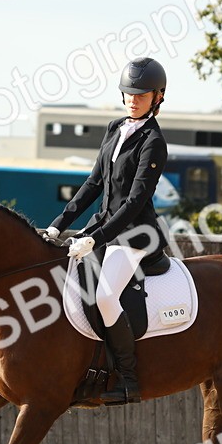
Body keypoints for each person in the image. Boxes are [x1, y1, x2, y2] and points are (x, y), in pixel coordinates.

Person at [44, 57, 170, 405]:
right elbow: (94, 182)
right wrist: (59, 225)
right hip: (102, 226)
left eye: (142, 95)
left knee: (104, 296)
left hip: (136, 234)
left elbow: (134, 201)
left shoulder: (154, 142)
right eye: (129, 93)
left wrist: (93, 238)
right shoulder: (115, 127)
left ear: (158, 96)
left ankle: (129, 378)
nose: (133, 99)